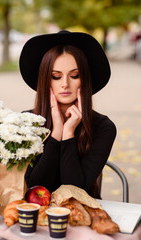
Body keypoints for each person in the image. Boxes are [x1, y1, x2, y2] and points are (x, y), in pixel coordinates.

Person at [19, 30, 116, 198]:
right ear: (45, 80)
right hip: (34, 215)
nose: (65, 84)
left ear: (84, 79)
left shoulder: (103, 127)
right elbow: (33, 187)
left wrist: (68, 133)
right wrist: (56, 134)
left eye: (74, 75)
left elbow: (75, 191)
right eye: (56, 76)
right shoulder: (26, 122)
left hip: (83, 216)